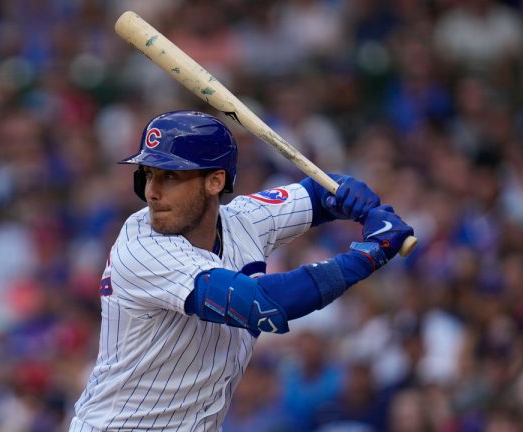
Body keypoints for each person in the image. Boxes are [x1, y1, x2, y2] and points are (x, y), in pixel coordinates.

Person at [69, 110, 413, 431]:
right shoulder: (142, 247)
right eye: (148, 175)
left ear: (215, 181)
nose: (152, 192)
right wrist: (366, 256)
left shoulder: (244, 220)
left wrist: (349, 193)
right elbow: (261, 304)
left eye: (170, 176)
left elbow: (319, 193)